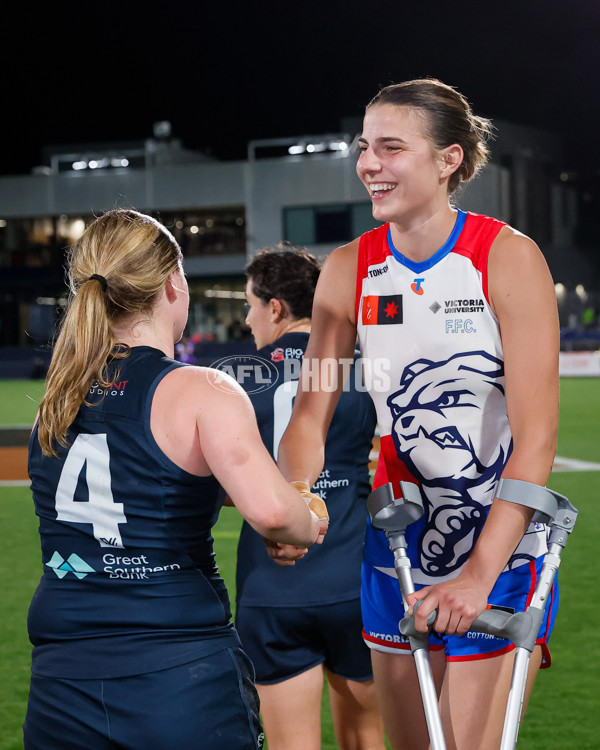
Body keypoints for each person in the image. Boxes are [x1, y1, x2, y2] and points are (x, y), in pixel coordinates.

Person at [277, 78, 560, 750]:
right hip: (397, 551)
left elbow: (537, 437)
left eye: (391, 147)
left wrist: (479, 572)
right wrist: (293, 498)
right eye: (364, 146)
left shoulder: (506, 258)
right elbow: (311, 413)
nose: (368, 163)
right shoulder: (347, 271)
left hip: (501, 551)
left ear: (448, 159)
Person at [25, 209, 327, 750]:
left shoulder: (58, 397)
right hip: (177, 671)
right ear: (173, 285)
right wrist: (305, 522)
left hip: (61, 675)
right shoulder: (200, 389)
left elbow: (136, 481)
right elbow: (274, 513)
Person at [231, 246, 385, 750]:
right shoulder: (364, 369)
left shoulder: (229, 381)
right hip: (354, 577)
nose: (248, 317)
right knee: (365, 736)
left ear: (275, 307)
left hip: (272, 585)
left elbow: (226, 488)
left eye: (251, 304)